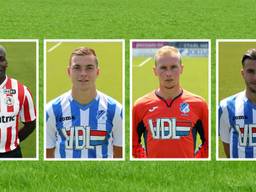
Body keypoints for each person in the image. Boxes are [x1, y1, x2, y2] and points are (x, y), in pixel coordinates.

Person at [46, 47, 123, 159]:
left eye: (89, 68)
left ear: (97, 72)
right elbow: (48, 155)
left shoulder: (116, 110)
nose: (83, 73)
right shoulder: (51, 110)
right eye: (77, 68)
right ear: (69, 72)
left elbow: (119, 155)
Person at [132, 45, 208, 158]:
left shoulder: (199, 104)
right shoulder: (140, 106)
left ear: (181, 68)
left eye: (173, 67)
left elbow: (208, 144)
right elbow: (133, 145)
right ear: (155, 71)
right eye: (163, 68)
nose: (168, 73)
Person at [0, 45, 36, 158]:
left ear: (6, 63)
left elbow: (30, 124)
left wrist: (13, 141)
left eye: (1, 59)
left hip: (11, 154)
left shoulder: (21, 90)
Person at [219, 48, 256, 158]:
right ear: (242, 73)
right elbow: (227, 144)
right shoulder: (226, 106)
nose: (255, 78)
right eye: (250, 71)